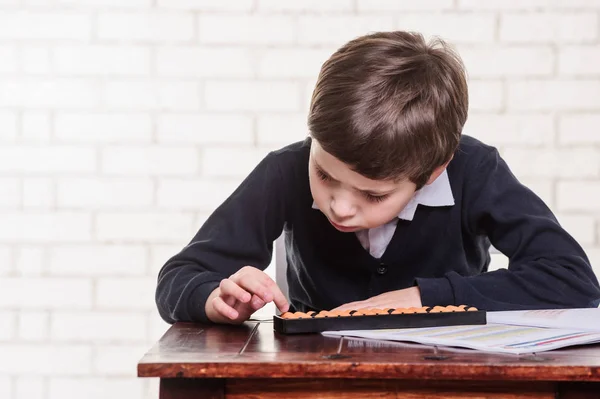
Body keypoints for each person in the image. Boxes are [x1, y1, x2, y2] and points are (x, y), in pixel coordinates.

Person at [155, 31, 600, 325]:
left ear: (433, 172)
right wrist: (212, 296)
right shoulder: (286, 169)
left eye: (373, 194)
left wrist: (424, 298)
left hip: (449, 374)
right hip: (317, 376)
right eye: (326, 175)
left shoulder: (475, 170)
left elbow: (572, 281)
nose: (341, 206)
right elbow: (179, 276)